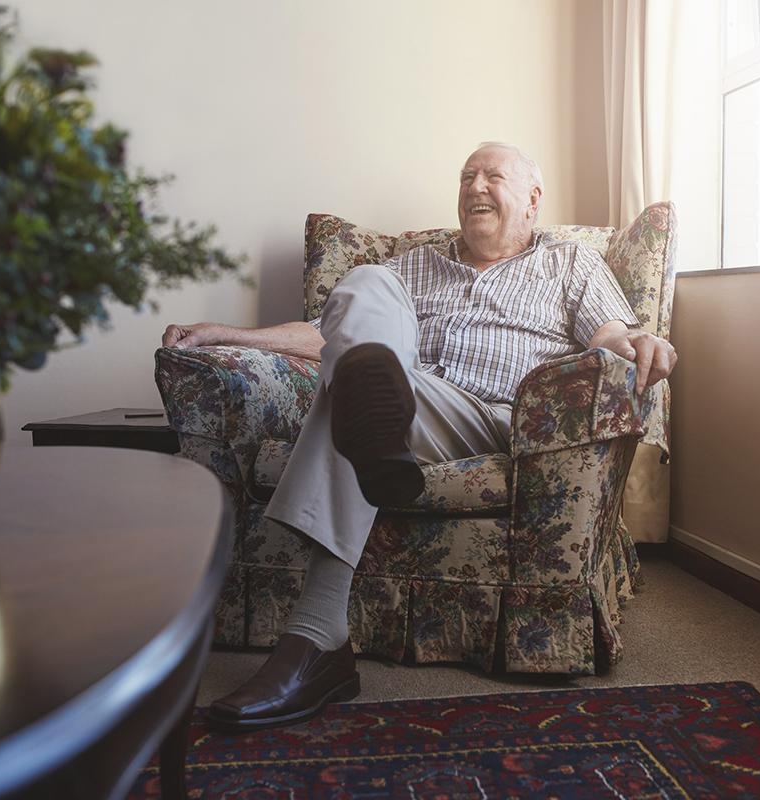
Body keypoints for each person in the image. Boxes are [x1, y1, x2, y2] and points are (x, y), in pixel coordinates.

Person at [160, 142, 677, 732]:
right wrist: (227, 335)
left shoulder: (571, 264)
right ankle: (372, 433)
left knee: (349, 386)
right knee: (363, 305)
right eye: (466, 177)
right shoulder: (413, 265)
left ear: (533, 200)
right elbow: (320, 332)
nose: (475, 186)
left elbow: (608, 334)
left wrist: (638, 341)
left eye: (493, 176)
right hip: (411, 402)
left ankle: (315, 640)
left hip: (500, 421)